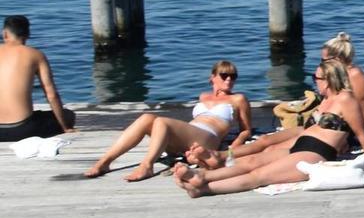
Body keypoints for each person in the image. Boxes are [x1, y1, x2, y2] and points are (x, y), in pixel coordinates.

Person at [174, 60, 364, 196]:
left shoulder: (346, 99)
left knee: (259, 176)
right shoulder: (326, 99)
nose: (314, 82)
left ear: (328, 79)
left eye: (316, 78)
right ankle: (202, 175)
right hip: (301, 146)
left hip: (317, 152)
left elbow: (361, 133)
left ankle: (205, 189)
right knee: (252, 161)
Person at [85, 59, 253, 180]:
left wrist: (235, 145)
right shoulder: (203, 96)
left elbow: (246, 129)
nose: (229, 80)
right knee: (146, 118)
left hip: (208, 138)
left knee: (161, 121)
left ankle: (146, 166)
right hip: (189, 136)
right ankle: (104, 162)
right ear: (213, 78)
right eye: (224, 75)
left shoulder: (238, 99)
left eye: (233, 76)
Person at [0, 15, 75, 143]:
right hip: (23, 130)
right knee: (68, 115)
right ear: (28, 34)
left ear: (5, 34)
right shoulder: (36, 55)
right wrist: (65, 127)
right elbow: (51, 95)